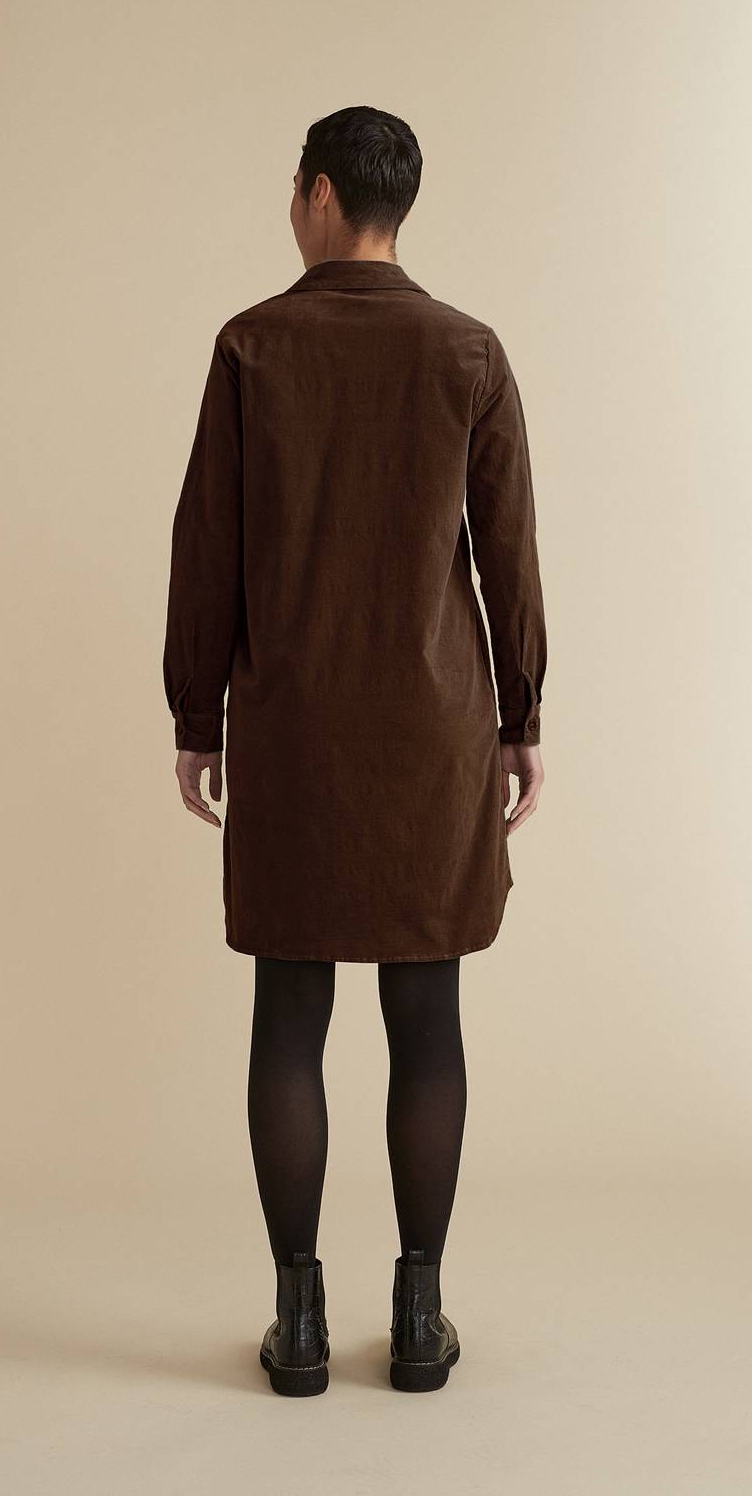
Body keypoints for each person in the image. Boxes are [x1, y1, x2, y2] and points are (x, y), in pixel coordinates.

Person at [162, 106, 547, 1396]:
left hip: (293, 729)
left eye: (295, 189)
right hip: (434, 737)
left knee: (290, 1017)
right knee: (426, 1019)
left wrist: (195, 714)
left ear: (322, 194)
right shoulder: (469, 351)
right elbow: (508, 554)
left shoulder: (252, 345)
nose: (291, 208)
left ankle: (301, 1320)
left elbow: (206, 546)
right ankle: (422, 1317)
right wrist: (522, 717)